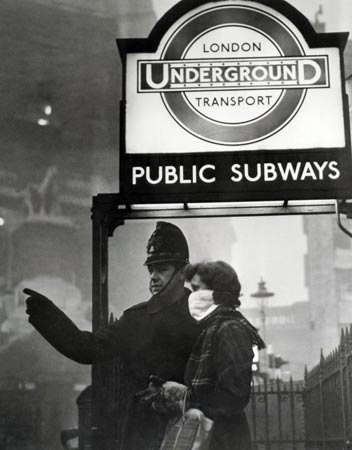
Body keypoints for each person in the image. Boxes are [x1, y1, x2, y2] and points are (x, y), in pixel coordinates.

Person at [23, 221, 203, 450]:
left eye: (163, 269)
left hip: (192, 433)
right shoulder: (136, 320)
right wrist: (47, 315)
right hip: (144, 435)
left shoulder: (203, 319)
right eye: (151, 270)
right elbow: (86, 348)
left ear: (183, 273)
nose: (154, 277)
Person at [150, 261, 265, 450]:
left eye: (196, 289)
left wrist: (186, 399)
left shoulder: (230, 329)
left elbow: (233, 396)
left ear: (217, 292)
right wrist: (176, 391)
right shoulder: (213, 328)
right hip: (212, 435)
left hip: (222, 439)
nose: (191, 296)